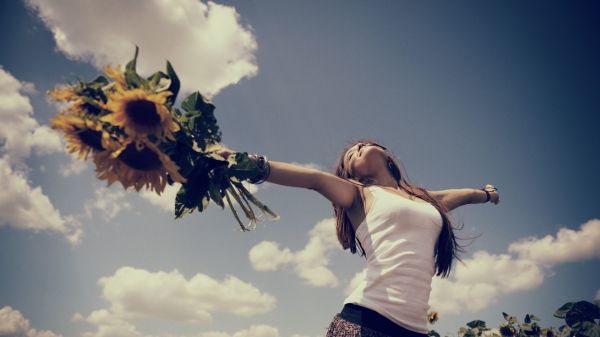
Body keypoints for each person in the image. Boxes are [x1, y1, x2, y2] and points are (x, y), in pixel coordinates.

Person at [215, 139, 500, 337]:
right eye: (350, 155)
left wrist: (486, 194)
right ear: (351, 174)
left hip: (416, 330)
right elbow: (313, 179)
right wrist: (244, 162)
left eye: (362, 145)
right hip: (365, 322)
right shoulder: (358, 195)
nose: (357, 148)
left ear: (388, 156)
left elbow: (462, 195)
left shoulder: (426, 200)